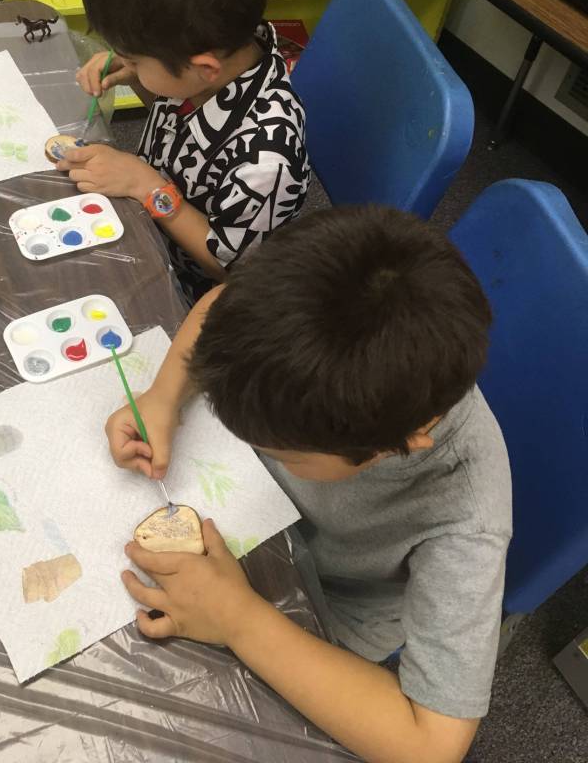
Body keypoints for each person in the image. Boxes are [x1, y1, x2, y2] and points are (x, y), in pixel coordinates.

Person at [105, 207, 512, 763]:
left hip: (319, 605)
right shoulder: (322, 302)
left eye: (287, 454)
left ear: (401, 444)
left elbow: (432, 745)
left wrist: (238, 619)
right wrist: (162, 397)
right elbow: (218, 307)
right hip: (256, 516)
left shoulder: (465, 512)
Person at [59, 0, 309, 302]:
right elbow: (178, 118)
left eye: (135, 59)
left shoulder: (266, 161)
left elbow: (227, 266)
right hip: (146, 225)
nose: (127, 63)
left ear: (203, 68)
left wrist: (147, 186)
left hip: (191, 293)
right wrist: (138, 75)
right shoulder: (219, 54)